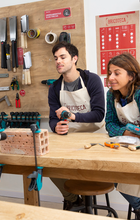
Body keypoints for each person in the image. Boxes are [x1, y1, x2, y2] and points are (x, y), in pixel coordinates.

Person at [48, 42, 105, 210]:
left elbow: (99, 113)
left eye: (63, 57)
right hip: (70, 138)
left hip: (95, 135)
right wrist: (56, 126)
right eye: (56, 58)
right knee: (50, 166)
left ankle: (86, 203)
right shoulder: (55, 87)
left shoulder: (91, 80)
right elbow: (52, 119)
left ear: (74, 59)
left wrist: (72, 116)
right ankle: (73, 199)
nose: (58, 61)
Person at [105, 52, 140, 219]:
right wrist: (128, 130)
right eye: (109, 73)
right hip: (127, 146)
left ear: (131, 76)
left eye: (116, 73)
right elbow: (110, 125)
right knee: (115, 174)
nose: (111, 77)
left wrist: (128, 128)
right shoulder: (111, 95)